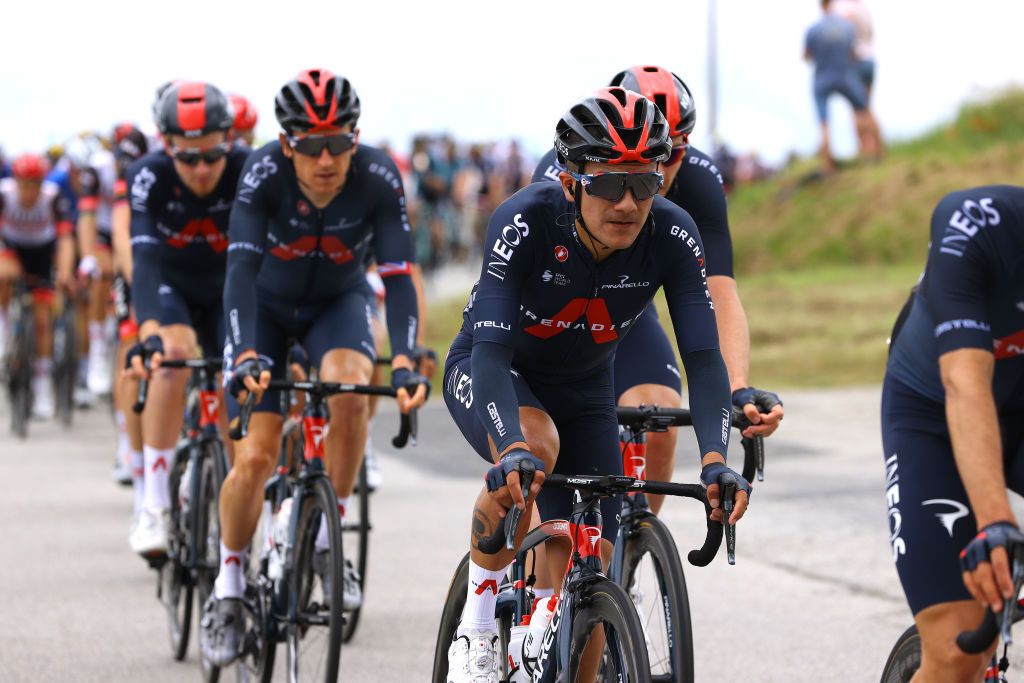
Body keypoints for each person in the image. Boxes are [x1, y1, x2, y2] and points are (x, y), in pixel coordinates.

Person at [442, 87, 750, 683]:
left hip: (586, 392)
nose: (629, 203)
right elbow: (489, 351)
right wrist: (509, 449)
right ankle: (478, 623)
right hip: (499, 374)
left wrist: (716, 459)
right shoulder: (524, 220)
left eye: (645, 182)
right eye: (609, 183)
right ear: (570, 181)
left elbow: (704, 360)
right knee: (536, 448)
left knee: (594, 569)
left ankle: (552, 624)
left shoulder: (673, 233)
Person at [201, 68, 429, 666]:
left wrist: (404, 358)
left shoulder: (379, 176)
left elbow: (400, 277)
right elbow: (240, 275)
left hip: (338, 302)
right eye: (310, 144)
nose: (326, 159)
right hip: (266, 312)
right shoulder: (262, 172)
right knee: (254, 455)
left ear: (355, 139)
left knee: (354, 388)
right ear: (287, 145)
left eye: (338, 142)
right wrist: (243, 351)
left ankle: (331, 540)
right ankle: (227, 587)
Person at [533, 65, 784, 518]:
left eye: (672, 153)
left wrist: (737, 385)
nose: (660, 170)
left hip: (627, 313)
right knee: (544, 459)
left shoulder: (700, 181)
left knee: (661, 418)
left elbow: (720, 294)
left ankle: (629, 550)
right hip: (559, 320)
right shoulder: (564, 174)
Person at [882, 185, 1024, 681]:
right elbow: (964, 385)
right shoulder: (975, 223)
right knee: (959, 648)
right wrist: (995, 522)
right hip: (933, 413)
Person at [125, 81, 246, 557]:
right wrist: (149, 332)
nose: (200, 168)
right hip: (170, 286)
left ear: (229, 143)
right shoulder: (147, 175)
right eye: (186, 157)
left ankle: (237, 505)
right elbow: (145, 261)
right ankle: (153, 505)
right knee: (171, 359)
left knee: (235, 373)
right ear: (166, 145)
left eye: (211, 156)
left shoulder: (248, 170)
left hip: (226, 292)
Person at [0, 154, 75, 419]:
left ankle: (42, 385)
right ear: (16, 181)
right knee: (3, 277)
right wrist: (5, 258)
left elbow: (65, 239)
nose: (29, 191)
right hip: (12, 247)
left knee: (43, 318)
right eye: (24, 184)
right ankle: (4, 329)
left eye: (34, 184)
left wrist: (65, 273)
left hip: (42, 253)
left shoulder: (52, 197)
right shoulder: (4, 195)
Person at [803, 0, 880, 172]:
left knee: (824, 122)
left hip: (822, 77)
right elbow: (854, 49)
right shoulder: (851, 21)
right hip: (848, 73)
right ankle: (878, 152)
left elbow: (806, 56)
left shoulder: (814, 29)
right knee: (865, 109)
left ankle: (829, 165)